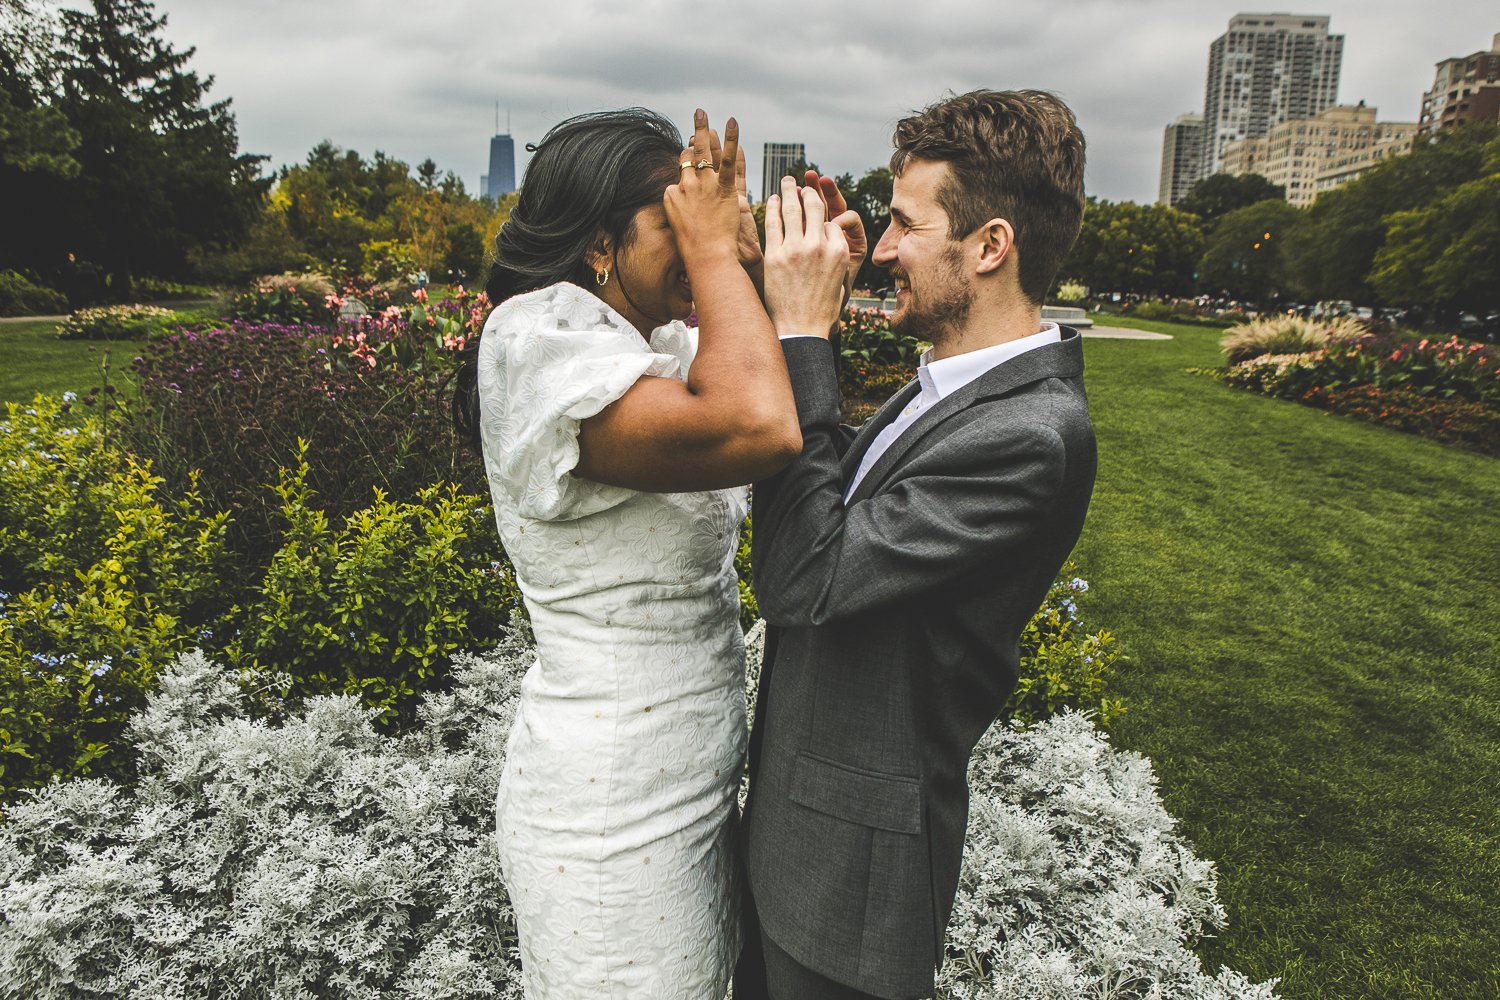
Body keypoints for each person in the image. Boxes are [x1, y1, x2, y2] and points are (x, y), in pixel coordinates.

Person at [449, 108, 849, 998]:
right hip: (609, 809)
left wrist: (798, 277)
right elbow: (758, 423)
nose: (705, 233)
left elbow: (775, 378)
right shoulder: (538, 341)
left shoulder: (653, 342)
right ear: (600, 241)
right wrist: (715, 257)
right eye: (679, 215)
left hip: (694, 783)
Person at [737, 89, 1098, 999]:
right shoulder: (952, 383)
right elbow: (829, 499)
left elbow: (802, 576)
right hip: (795, 846)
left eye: (905, 225)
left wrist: (803, 330)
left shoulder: (1031, 437)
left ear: (989, 246)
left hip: (849, 895)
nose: (885, 246)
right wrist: (809, 312)